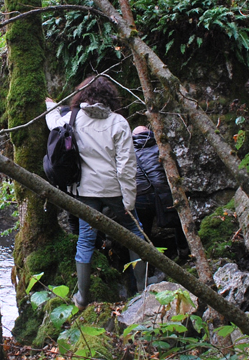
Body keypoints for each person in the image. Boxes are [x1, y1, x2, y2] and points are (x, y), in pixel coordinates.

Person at [45, 75, 146, 309]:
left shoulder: (73, 118)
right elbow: (127, 165)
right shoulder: (118, 122)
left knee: (86, 238)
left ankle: (82, 297)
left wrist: (51, 106)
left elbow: (53, 125)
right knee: (134, 233)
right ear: (109, 96)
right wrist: (129, 202)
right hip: (114, 190)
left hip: (85, 190)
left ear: (83, 95)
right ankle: (142, 291)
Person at [131, 126, 174, 294]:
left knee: (142, 233)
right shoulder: (160, 147)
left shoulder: (127, 151)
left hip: (140, 197)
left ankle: (140, 276)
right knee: (176, 223)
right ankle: (183, 252)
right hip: (162, 194)